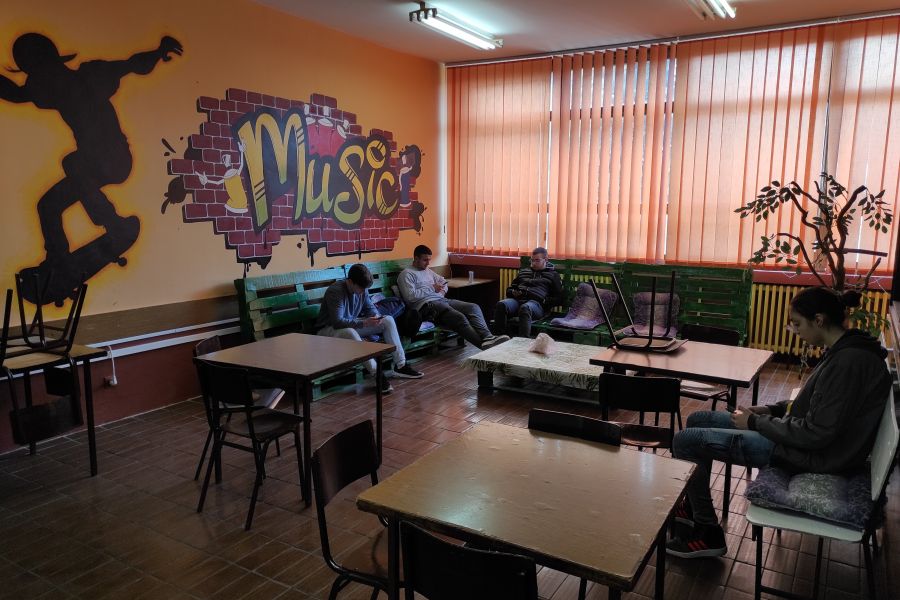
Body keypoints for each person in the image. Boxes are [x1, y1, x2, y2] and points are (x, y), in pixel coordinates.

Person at [666, 287, 891, 559]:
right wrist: (768, 409)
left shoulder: (848, 363)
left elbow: (816, 434)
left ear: (819, 320)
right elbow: (811, 405)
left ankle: (707, 532)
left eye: (797, 323)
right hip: (802, 441)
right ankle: (693, 506)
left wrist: (756, 422)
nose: (794, 331)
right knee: (697, 418)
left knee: (685, 440)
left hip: (812, 454)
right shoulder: (844, 349)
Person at [316, 264, 423, 394]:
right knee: (350, 332)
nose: (363, 291)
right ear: (350, 282)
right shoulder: (335, 291)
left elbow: (370, 308)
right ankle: (377, 374)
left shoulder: (363, 289)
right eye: (361, 288)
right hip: (328, 330)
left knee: (388, 320)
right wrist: (364, 323)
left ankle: (401, 365)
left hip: (349, 326)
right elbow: (337, 322)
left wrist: (376, 317)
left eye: (365, 289)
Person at [398, 245, 509, 350]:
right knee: (459, 317)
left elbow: (443, 281)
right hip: (427, 306)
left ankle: (488, 337)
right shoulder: (406, 274)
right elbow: (410, 297)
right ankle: (486, 347)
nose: (428, 263)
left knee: (473, 307)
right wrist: (432, 288)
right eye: (425, 260)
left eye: (429, 260)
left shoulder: (427, 271)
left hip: (441, 300)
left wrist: (442, 291)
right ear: (416, 258)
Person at [493, 247, 562, 337]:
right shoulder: (524, 272)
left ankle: (523, 340)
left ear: (545, 259)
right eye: (532, 260)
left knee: (525, 308)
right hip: (518, 301)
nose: (533, 263)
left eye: (537, 260)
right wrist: (513, 292)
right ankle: (500, 338)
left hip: (536, 306)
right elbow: (509, 290)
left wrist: (544, 301)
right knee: (501, 304)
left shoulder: (553, 275)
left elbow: (559, 298)